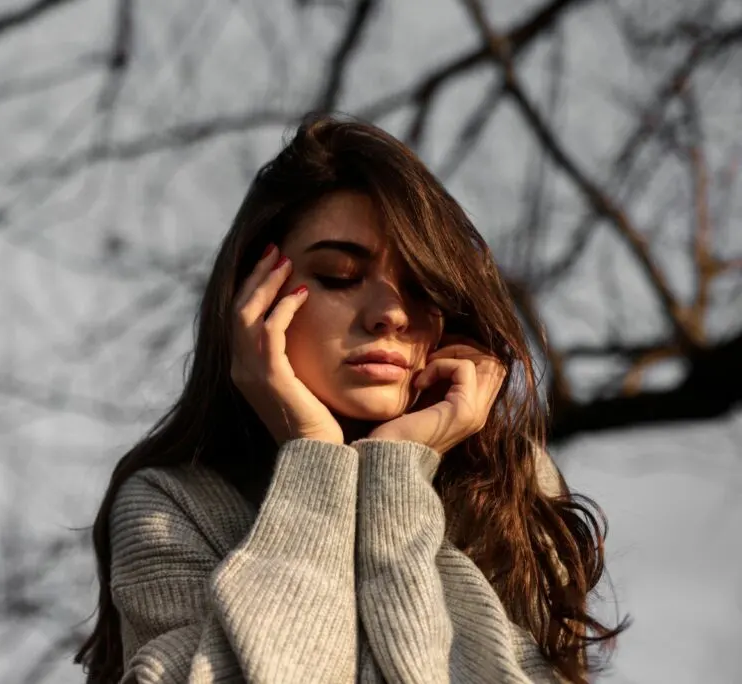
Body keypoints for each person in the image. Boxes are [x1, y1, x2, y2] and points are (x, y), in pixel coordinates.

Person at [73, 112, 629, 683]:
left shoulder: (511, 487)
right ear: (254, 298)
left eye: (421, 288)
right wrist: (314, 457)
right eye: (339, 276)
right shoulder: (170, 505)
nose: (389, 314)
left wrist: (395, 468)